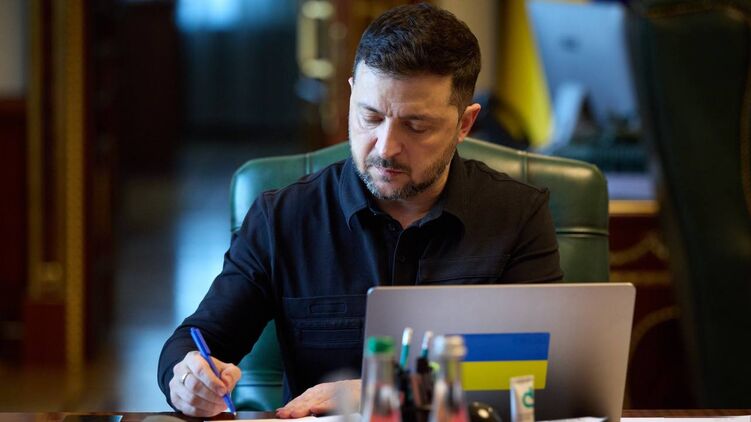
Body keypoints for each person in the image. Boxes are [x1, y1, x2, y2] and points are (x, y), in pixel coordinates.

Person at [158, 2, 562, 418]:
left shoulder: (518, 214)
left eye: (416, 126)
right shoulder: (282, 217)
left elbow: (541, 370)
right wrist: (187, 378)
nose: (385, 147)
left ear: (464, 124)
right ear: (351, 95)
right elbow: (195, 340)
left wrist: (381, 391)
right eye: (370, 116)